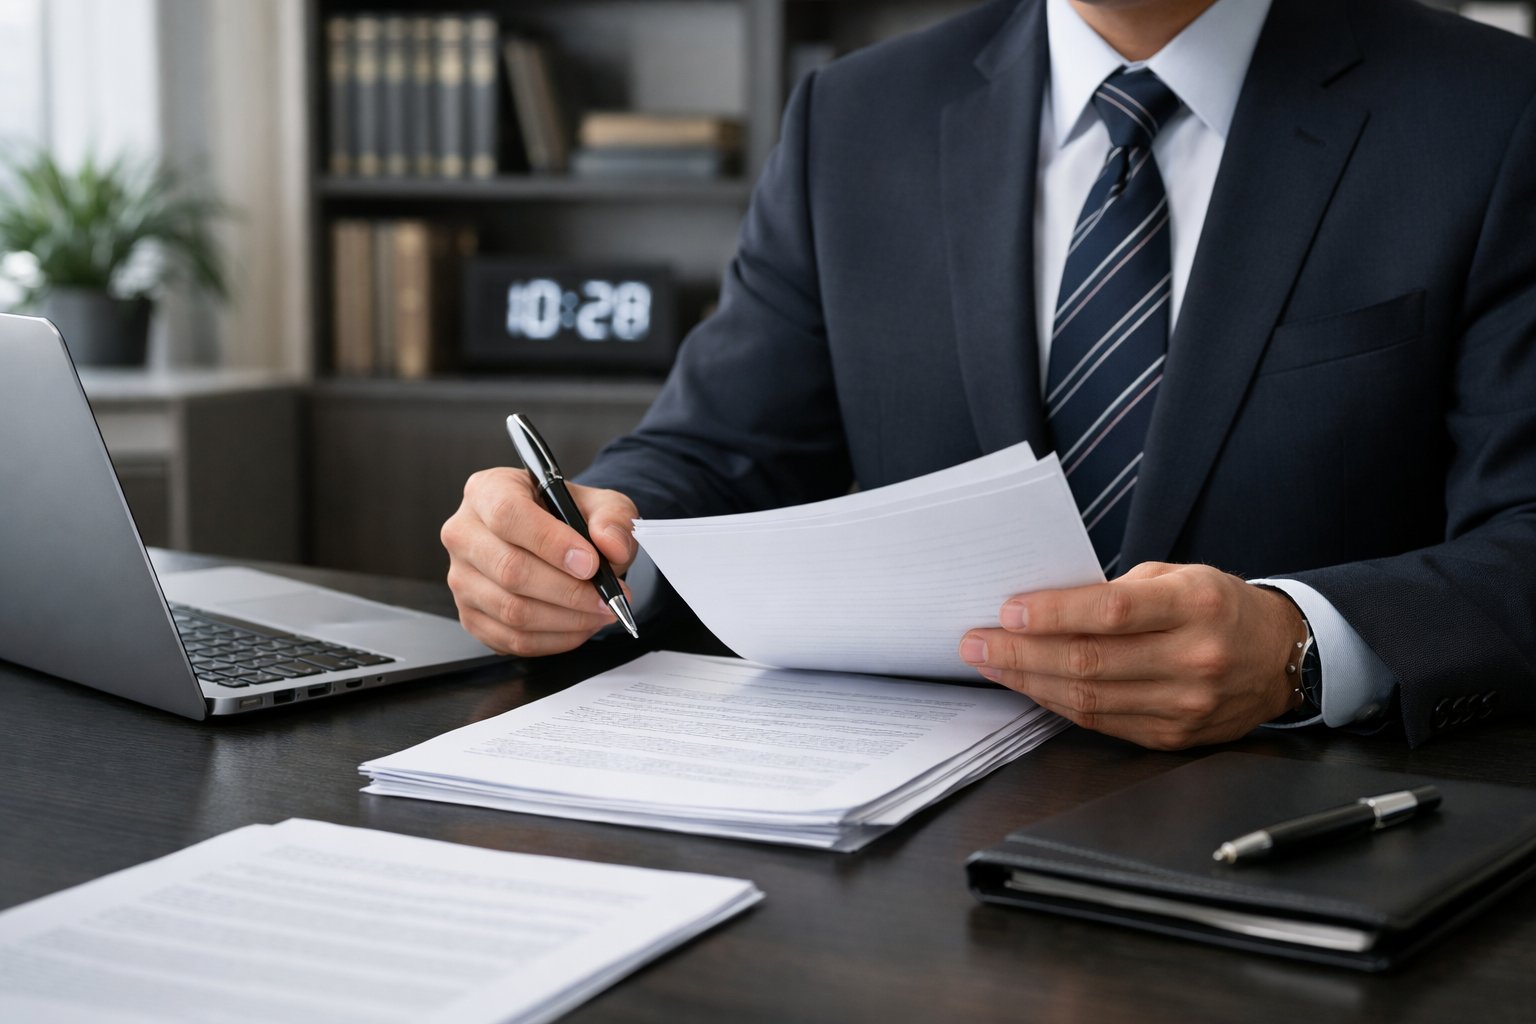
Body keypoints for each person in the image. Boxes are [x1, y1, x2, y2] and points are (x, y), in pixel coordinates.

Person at [440, 0, 1536, 750]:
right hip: (907, 830)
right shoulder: (854, 117)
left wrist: (1299, 648)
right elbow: (720, 449)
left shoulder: (1492, 111)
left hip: (1318, 814)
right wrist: (582, 543)